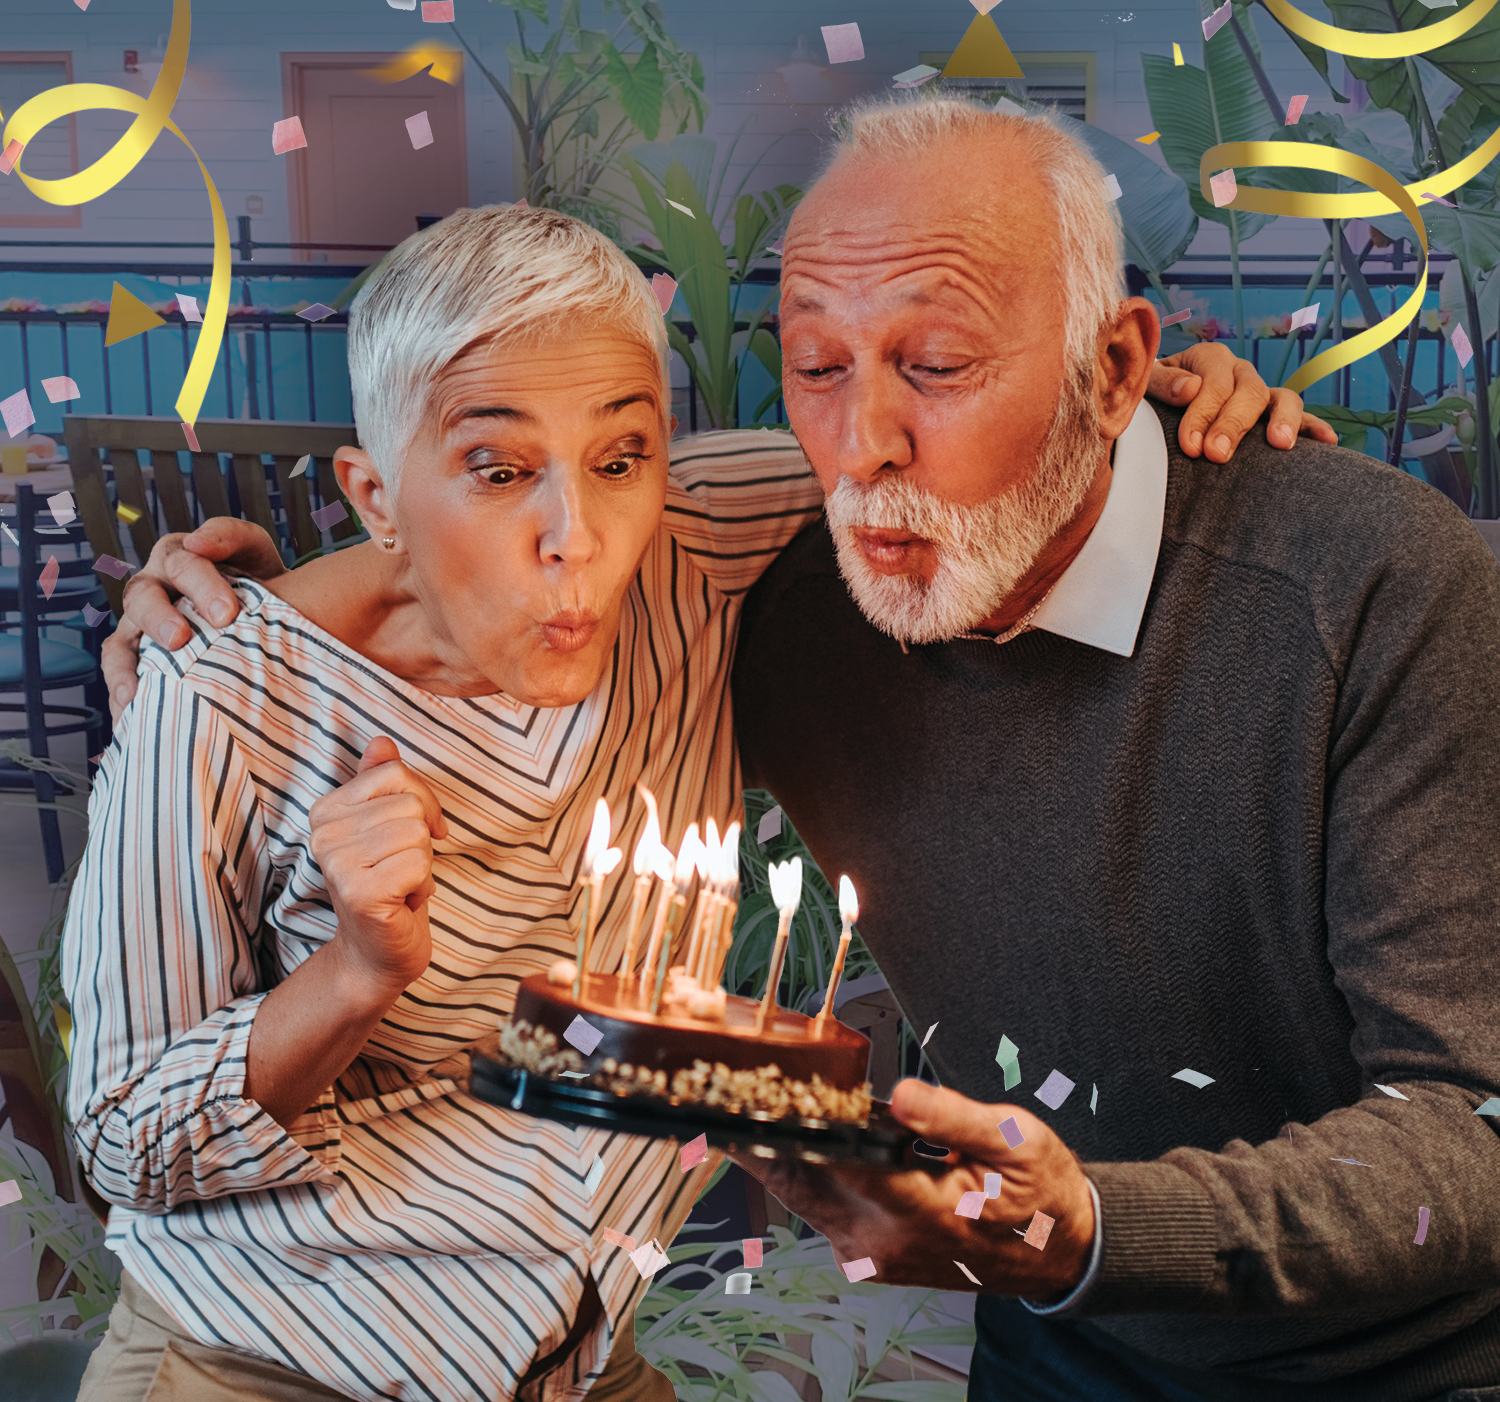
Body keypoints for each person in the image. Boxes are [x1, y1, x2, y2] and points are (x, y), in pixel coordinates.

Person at [88, 195, 1319, 1398]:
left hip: (574, 1352)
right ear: (374, 497)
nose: (578, 534)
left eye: (621, 455)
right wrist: (352, 973)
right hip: (262, 1357)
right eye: (497, 468)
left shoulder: (700, 537)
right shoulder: (216, 705)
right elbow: (122, 1139)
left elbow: (957, 443)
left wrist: (1136, 399)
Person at [727, 95, 1500, 1401]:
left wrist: (1091, 1228)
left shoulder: (1372, 586)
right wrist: (270, 600)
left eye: (937, 364)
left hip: (1402, 1367)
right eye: (819, 367)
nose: (862, 448)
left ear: (1115, 369)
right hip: (1049, 1341)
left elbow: (1476, 1130)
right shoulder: (801, 619)